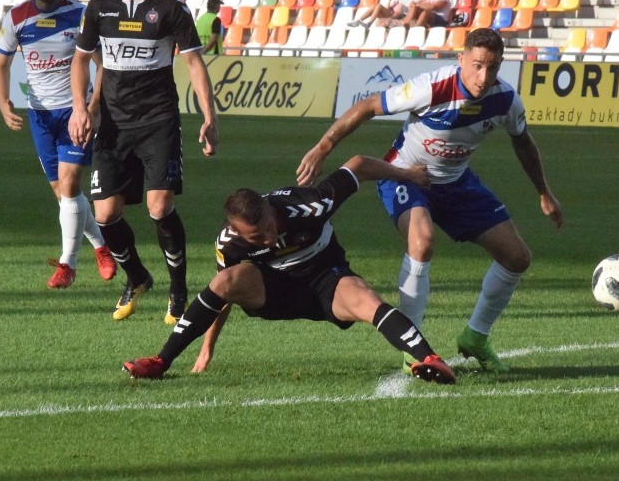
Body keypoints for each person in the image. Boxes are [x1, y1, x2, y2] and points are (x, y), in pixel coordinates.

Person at [296, 28, 564, 374]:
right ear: (462, 59)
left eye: (493, 67)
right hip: (405, 175)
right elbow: (367, 106)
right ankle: (413, 348)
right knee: (421, 243)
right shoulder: (432, 88)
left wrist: (544, 191)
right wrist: (322, 148)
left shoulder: (505, 100)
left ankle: (476, 337)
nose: (484, 76)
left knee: (517, 257)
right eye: (478, 65)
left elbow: (523, 141)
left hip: (456, 182)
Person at [122, 155, 456, 385]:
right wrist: (208, 347)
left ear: (268, 207)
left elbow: (358, 166)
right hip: (275, 290)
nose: (268, 238)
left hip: (327, 279)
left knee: (367, 300)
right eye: (257, 237)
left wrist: (409, 175)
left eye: (268, 226)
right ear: (238, 231)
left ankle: (428, 359)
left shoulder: (309, 204)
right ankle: (160, 361)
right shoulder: (230, 242)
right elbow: (223, 296)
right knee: (226, 278)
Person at [68, 0, 220, 324]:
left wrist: (209, 115)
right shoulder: (99, 7)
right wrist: (80, 109)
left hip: (158, 121)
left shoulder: (171, 8)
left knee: (159, 206)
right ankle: (137, 277)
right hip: (114, 125)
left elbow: (194, 63)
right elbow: (81, 60)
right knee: (105, 215)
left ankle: (178, 290)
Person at [0, 0, 117, 290]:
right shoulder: (16, 18)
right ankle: (102, 247)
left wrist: (91, 107)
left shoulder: (81, 14)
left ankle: (68, 265)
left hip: (75, 113)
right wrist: (4, 103)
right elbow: (1, 65)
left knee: (71, 185)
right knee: (65, 197)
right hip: (40, 116)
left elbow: (101, 64)